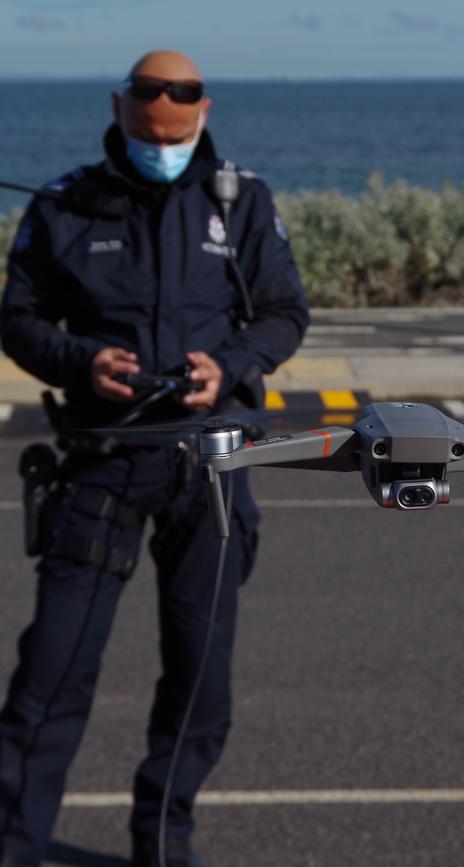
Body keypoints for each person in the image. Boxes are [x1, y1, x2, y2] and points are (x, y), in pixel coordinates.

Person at [0, 50, 309, 867]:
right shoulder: (67, 204)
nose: (160, 145)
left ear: (203, 116)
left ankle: (165, 841)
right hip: (101, 464)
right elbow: (18, 317)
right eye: (146, 132)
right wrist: (79, 362)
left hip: (209, 471)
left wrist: (232, 362)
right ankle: (13, 843)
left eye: (174, 133)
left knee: (200, 681)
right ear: (119, 111)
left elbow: (285, 313)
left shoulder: (240, 201)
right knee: (51, 675)